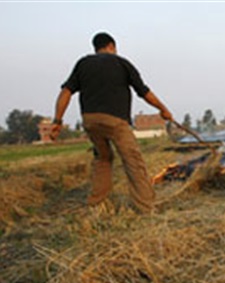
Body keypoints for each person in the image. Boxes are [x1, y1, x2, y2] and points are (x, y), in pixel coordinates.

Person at [51, 32, 174, 214]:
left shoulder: (83, 64)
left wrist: (58, 120)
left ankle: (96, 204)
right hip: (115, 121)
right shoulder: (121, 63)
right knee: (133, 161)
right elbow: (144, 91)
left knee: (103, 158)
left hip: (90, 121)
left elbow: (66, 92)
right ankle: (146, 207)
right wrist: (163, 109)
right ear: (111, 46)